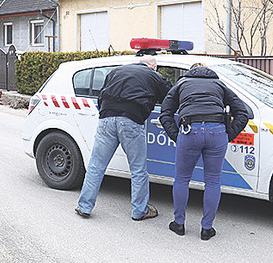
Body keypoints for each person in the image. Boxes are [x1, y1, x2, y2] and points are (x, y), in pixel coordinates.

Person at [159, 62, 249, 240]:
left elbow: (165, 113)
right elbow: (242, 113)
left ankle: (179, 224)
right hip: (217, 132)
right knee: (213, 181)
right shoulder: (220, 84)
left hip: (189, 130)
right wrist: (227, 135)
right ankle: (207, 229)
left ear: (190, 71)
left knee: (182, 179)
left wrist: (177, 136)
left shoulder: (181, 84)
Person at [75, 55, 171, 221]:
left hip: (106, 119)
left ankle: (84, 206)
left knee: (96, 165)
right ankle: (139, 211)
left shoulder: (117, 71)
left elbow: (101, 96)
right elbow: (169, 98)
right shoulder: (153, 75)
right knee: (138, 169)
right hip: (131, 120)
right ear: (153, 66)